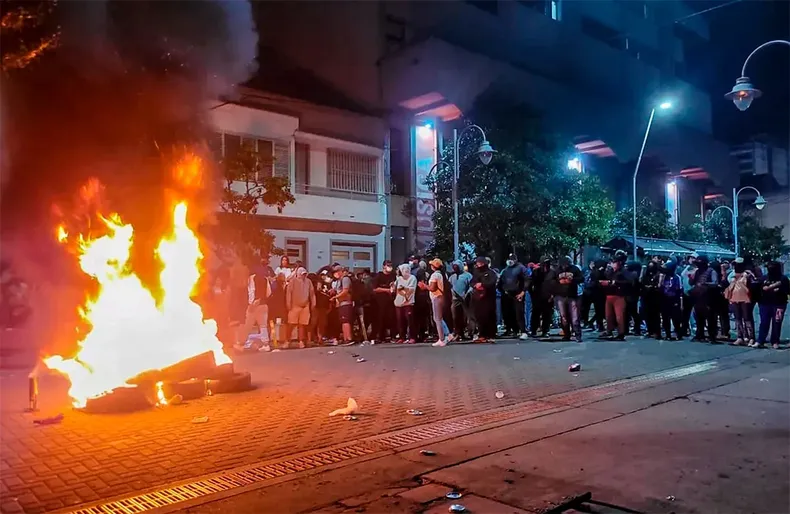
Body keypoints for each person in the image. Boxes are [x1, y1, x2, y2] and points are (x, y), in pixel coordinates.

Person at [549, 256, 583, 342]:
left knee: (574, 317)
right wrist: (558, 282)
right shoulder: (557, 270)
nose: (565, 266)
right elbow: (551, 281)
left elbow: (581, 279)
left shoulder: (574, 269)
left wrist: (573, 280)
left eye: (566, 265)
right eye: (563, 265)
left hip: (572, 295)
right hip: (561, 296)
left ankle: (577, 334)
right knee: (563, 316)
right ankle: (566, 334)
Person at [756, 261, 789, 349]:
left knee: (776, 323)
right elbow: (759, 290)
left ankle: (775, 341)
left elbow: (788, 290)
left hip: (779, 304)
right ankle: (760, 341)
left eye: (772, 267)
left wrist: (780, 289)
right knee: (764, 322)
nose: (770, 269)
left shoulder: (783, 278)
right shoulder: (764, 278)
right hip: (765, 303)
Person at [725, 258, 755, 347]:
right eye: (735, 264)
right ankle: (740, 337)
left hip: (745, 298)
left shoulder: (747, 274)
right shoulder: (732, 274)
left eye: (738, 264)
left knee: (747, 318)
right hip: (734, 297)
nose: (736, 266)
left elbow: (751, 285)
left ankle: (751, 337)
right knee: (738, 318)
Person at [689, 255, 719, 343]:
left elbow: (715, 283)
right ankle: (699, 334)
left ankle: (712, 336)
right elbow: (691, 282)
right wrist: (692, 276)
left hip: (709, 298)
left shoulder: (711, 271)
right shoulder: (697, 272)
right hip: (699, 297)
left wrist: (705, 284)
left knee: (711, 318)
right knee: (699, 317)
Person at [498, 253, 529, 340]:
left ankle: (523, 331)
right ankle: (512, 330)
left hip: (517, 294)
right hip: (507, 295)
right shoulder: (506, 270)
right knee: (508, 313)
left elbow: (527, 280)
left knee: (519, 313)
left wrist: (523, 292)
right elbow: (501, 282)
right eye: (509, 258)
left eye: (512, 259)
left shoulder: (521, 268)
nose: (510, 260)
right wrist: (502, 291)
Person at [601, 252, 629, 340]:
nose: (612, 264)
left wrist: (615, 283)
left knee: (619, 316)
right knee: (608, 315)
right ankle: (609, 331)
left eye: (614, 262)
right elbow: (605, 277)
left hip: (619, 296)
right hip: (609, 295)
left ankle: (621, 333)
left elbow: (628, 282)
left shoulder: (624, 271)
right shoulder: (610, 271)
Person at [286, 267, 315, 348]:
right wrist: (288, 303)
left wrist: (313, 303)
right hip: (294, 306)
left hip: (305, 305)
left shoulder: (308, 281)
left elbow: (312, 293)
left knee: (302, 325)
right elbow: (289, 293)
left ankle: (301, 341)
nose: (304, 276)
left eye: (305, 274)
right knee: (291, 324)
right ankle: (287, 341)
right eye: (302, 274)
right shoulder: (293, 281)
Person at [470, 256, 498, 342]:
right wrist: (475, 285)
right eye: (477, 263)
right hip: (478, 299)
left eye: (480, 263)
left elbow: (492, 282)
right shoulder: (476, 273)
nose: (478, 265)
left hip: (489, 298)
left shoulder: (491, 273)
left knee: (489, 316)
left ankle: (491, 335)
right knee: (479, 316)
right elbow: (472, 282)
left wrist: (482, 284)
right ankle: (482, 335)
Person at [424, 258, 450, 346]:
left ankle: (441, 339)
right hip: (442, 297)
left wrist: (424, 286)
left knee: (437, 319)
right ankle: (448, 335)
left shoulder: (435, 275)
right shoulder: (443, 274)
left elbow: (432, 288)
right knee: (440, 318)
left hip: (437, 297)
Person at [372, 260, 397, 343]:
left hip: (391, 300)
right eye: (388, 265)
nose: (389, 267)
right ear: (384, 266)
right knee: (380, 318)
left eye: (390, 265)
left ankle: (393, 336)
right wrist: (386, 290)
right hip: (380, 301)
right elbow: (375, 289)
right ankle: (380, 336)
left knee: (391, 317)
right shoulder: (378, 276)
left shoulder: (393, 275)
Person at [528, 257, 553, 338]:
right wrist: (532, 294)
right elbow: (530, 283)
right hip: (537, 296)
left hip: (548, 296)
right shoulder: (536, 272)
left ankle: (546, 330)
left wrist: (552, 295)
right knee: (535, 313)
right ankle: (533, 330)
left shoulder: (552, 272)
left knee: (547, 314)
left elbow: (555, 284)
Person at [330, 264, 354, 345]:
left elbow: (345, 291)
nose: (335, 274)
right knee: (343, 321)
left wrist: (336, 297)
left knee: (346, 321)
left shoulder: (345, 279)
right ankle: (345, 338)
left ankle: (349, 338)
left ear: (340, 271)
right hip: (341, 303)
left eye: (336, 272)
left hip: (345, 303)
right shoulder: (339, 281)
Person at [659, 260, 683, 340]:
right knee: (665, 318)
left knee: (676, 318)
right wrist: (661, 280)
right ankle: (668, 334)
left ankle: (678, 334)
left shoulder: (677, 278)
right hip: (664, 299)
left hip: (674, 299)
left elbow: (679, 290)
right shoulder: (664, 277)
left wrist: (678, 302)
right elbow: (660, 288)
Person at [449, 260, 472, 340]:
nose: (455, 268)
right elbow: (450, 287)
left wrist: (467, 293)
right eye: (454, 267)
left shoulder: (468, 275)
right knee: (455, 317)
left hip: (465, 299)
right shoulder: (452, 277)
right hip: (455, 299)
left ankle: (469, 333)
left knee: (466, 317)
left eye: (457, 267)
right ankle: (458, 333)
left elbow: (471, 286)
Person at [394, 263, 417, 343]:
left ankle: (412, 337)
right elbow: (396, 289)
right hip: (398, 302)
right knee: (400, 321)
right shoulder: (399, 278)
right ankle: (401, 337)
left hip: (408, 303)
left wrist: (403, 288)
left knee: (410, 320)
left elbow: (411, 289)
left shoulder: (412, 278)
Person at [641, 261, 661, 338]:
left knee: (655, 316)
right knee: (647, 315)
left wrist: (652, 287)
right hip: (646, 297)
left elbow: (658, 286)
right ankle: (650, 331)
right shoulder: (646, 275)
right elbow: (642, 283)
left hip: (655, 298)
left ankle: (657, 332)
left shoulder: (658, 275)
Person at [680, 254, 697, 338]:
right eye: (690, 257)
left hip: (694, 293)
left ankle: (695, 329)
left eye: (693, 258)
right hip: (685, 293)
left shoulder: (697, 269)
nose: (692, 259)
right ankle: (684, 329)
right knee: (685, 313)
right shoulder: (686, 268)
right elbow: (683, 276)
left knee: (695, 312)